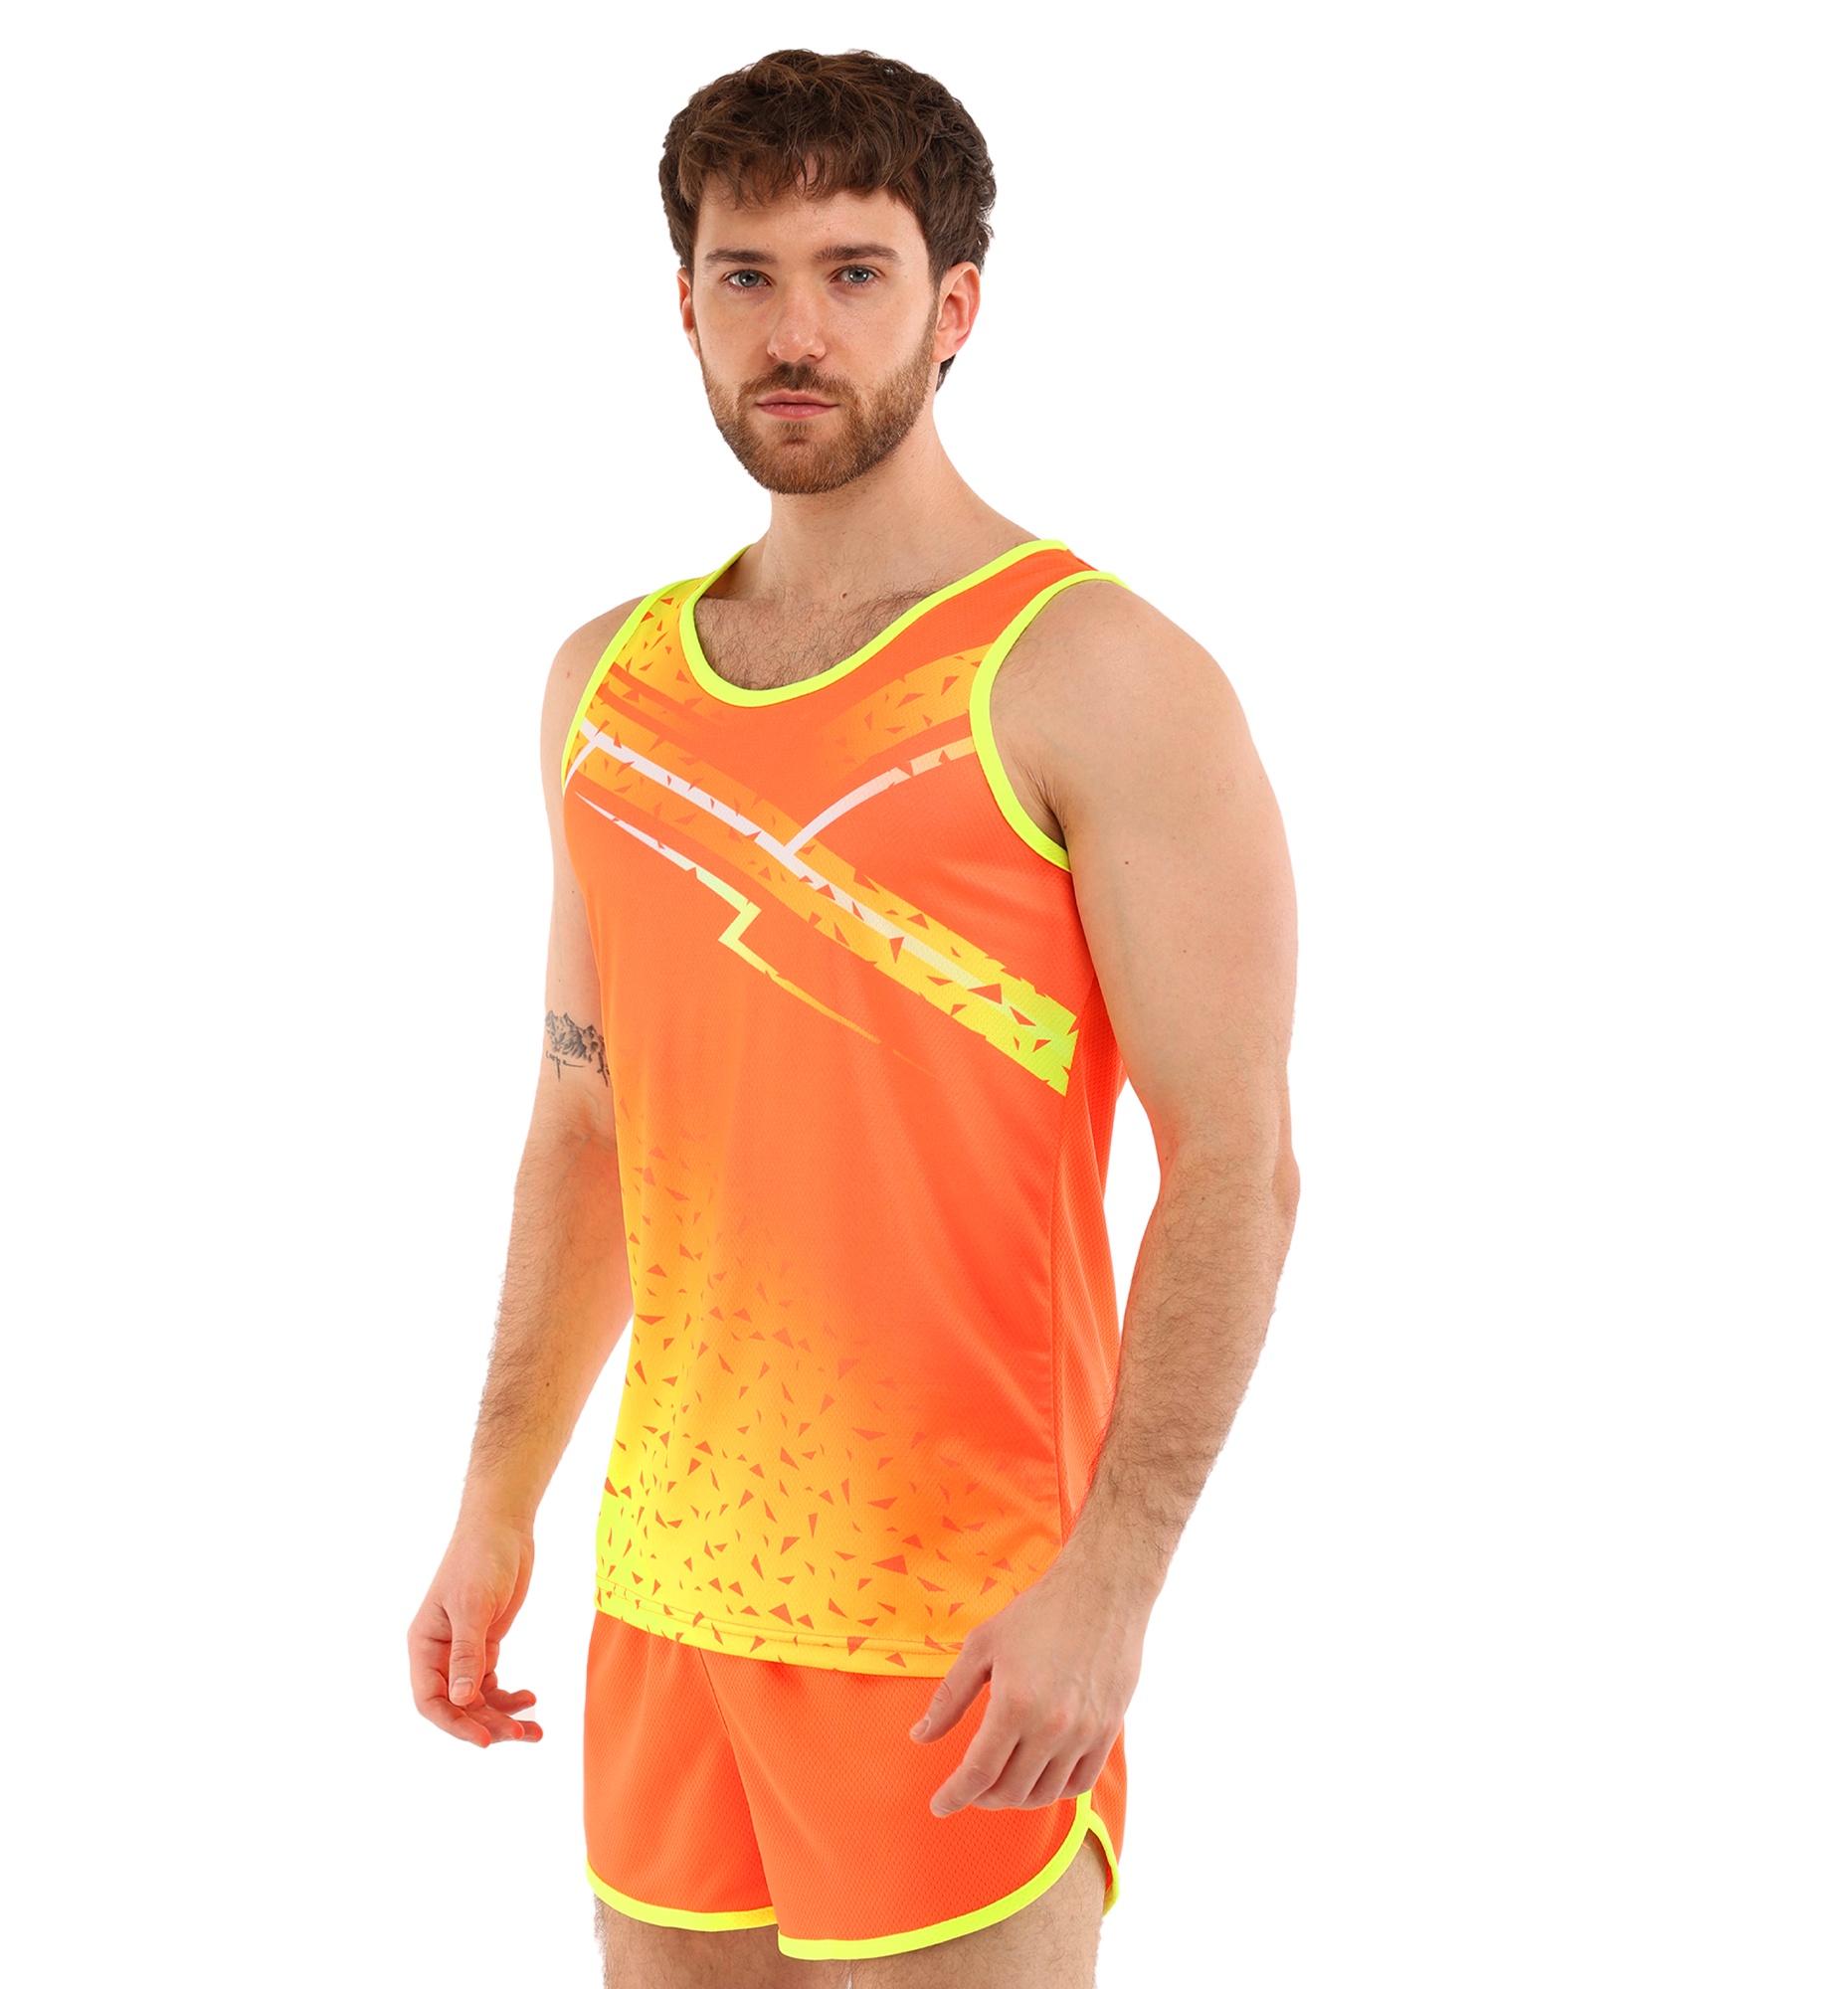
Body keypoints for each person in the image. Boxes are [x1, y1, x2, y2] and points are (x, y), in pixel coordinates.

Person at [408, 47, 1299, 1988]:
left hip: (961, 1626)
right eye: (746, 275)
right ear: (685, 303)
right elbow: (586, 1124)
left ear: (954, 304)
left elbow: (1236, 1164)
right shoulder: (608, 687)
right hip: (670, 1603)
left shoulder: (1092, 675)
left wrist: (1113, 1587)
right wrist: (494, 1501)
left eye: (853, 272)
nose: (793, 331)